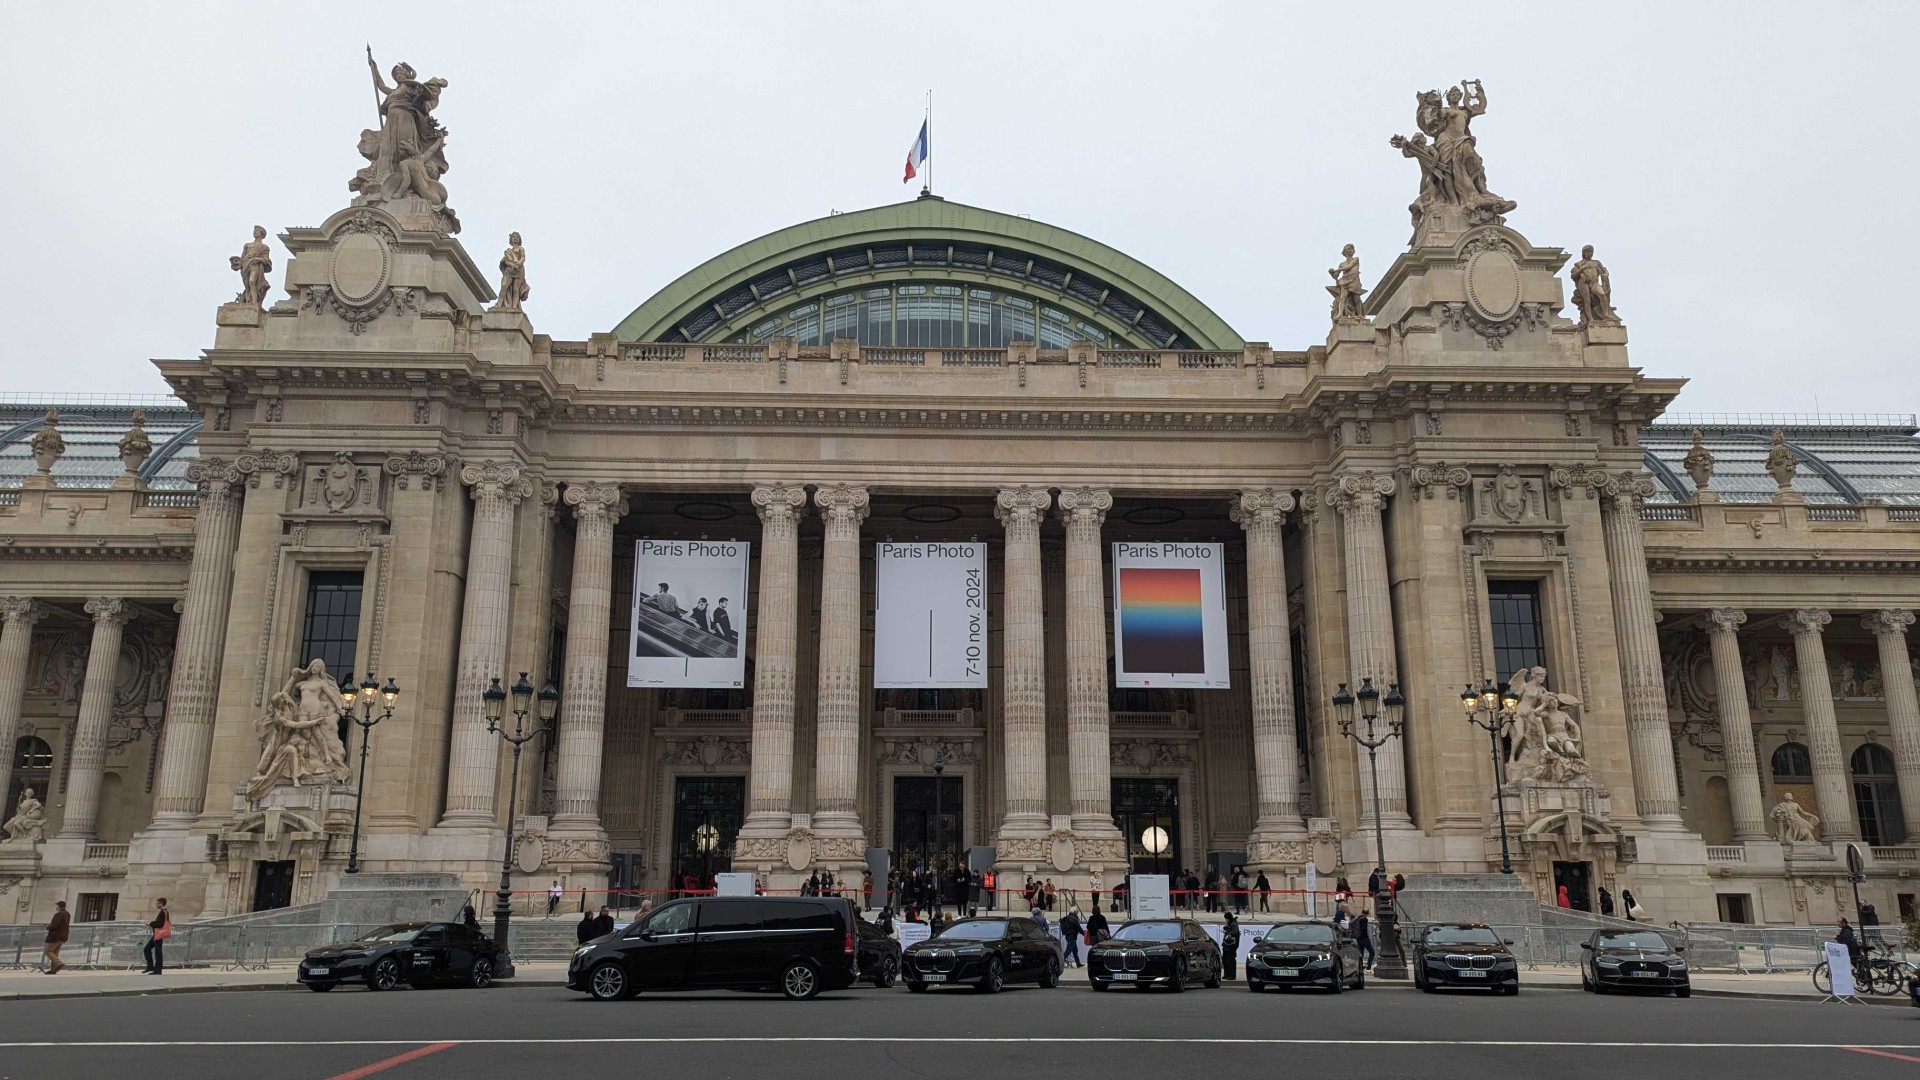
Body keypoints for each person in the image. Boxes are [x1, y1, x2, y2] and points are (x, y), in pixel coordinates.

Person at [143, 898, 171, 975]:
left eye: (157, 903)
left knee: (157, 952)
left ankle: (157, 970)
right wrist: (152, 922)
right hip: (157, 934)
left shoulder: (163, 912)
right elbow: (160, 922)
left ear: (161, 903)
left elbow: (160, 924)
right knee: (147, 949)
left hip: (159, 934)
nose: (156, 905)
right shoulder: (164, 912)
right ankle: (150, 967)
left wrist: (150, 923)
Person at [43, 900, 69, 974]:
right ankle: (53, 970)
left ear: (59, 906)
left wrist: (48, 926)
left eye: (57, 906)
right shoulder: (67, 914)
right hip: (63, 936)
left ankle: (58, 963)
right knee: (55, 952)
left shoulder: (58, 914)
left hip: (55, 936)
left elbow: (54, 925)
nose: (56, 907)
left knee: (48, 951)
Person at [1350, 907, 1375, 972]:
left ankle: (1359, 966)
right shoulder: (1364, 919)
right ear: (1368, 913)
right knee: (1372, 952)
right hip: (1364, 938)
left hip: (1358, 938)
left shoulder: (1358, 918)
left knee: (1361, 953)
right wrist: (1366, 936)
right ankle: (1368, 966)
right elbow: (1364, 929)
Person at [1221, 912, 1241, 981]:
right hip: (1226, 944)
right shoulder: (1229, 924)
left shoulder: (1234, 924)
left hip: (1232, 945)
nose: (1225, 920)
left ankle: (1232, 975)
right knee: (1225, 960)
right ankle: (1226, 974)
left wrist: (1228, 932)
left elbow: (1235, 932)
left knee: (1231, 960)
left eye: (1226, 919)